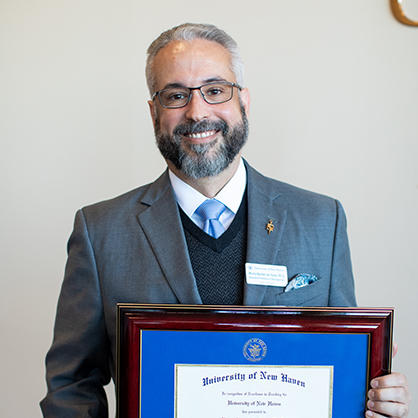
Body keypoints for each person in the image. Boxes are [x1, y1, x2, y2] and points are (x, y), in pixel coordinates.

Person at [41, 23, 411, 417]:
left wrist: (373, 399)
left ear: (244, 103)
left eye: (215, 90)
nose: (197, 111)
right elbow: (72, 384)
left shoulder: (323, 220)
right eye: (176, 95)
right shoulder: (100, 232)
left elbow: (342, 365)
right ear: (154, 113)